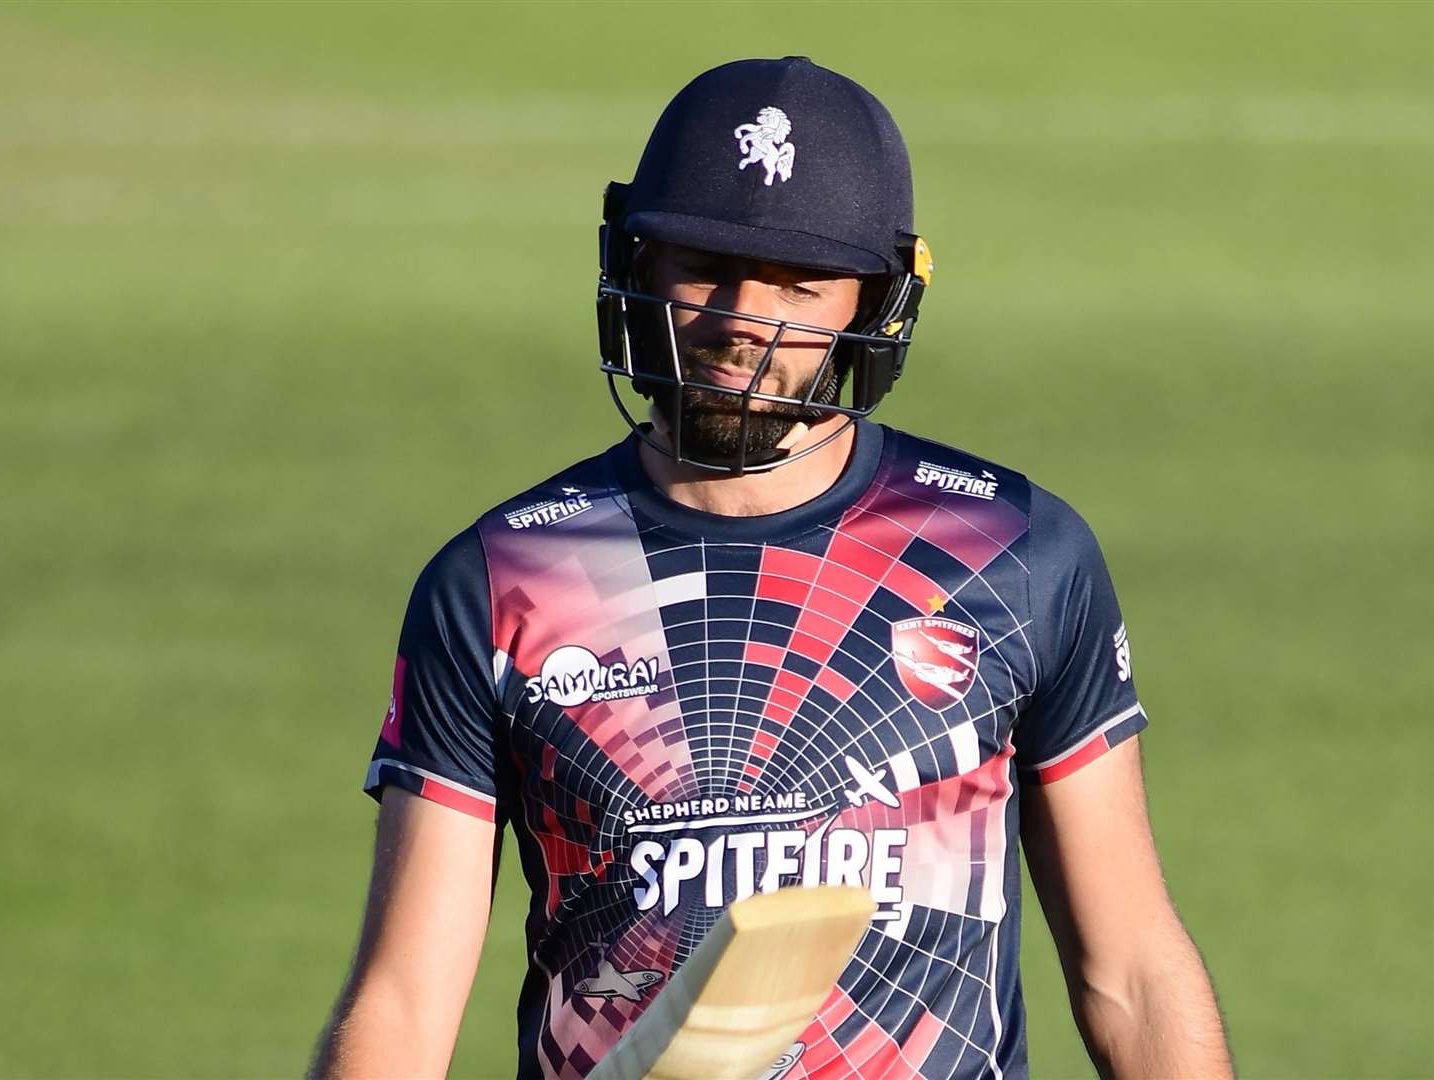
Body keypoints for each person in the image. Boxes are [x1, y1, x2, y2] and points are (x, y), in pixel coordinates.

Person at [312, 57, 1232, 1080]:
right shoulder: (501, 580)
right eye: (706, 262)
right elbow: (400, 1006)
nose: (745, 318)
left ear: (871, 302)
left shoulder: (1014, 553)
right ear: (640, 264)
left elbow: (1131, 972)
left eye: (800, 281)